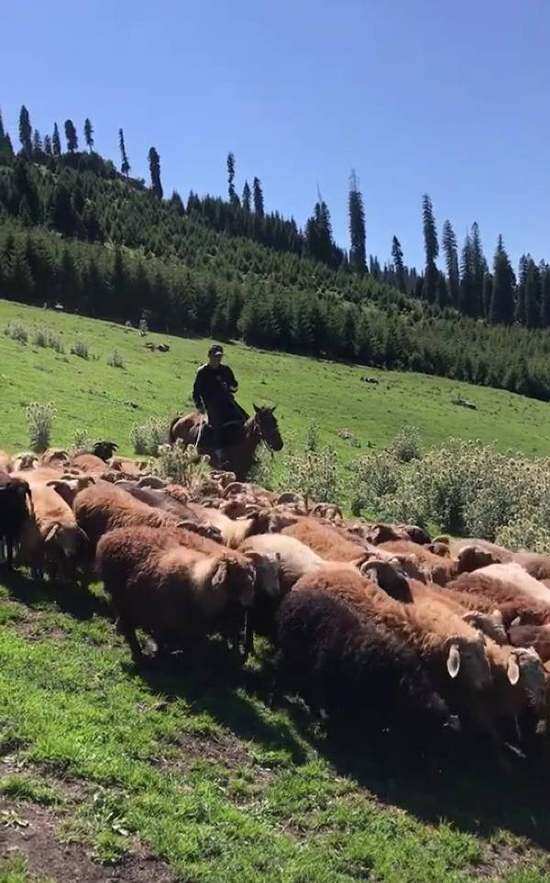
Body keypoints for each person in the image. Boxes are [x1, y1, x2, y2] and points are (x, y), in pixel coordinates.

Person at [192, 345, 248, 460]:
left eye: (219, 357)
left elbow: (235, 386)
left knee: (245, 419)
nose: (217, 359)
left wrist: (229, 386)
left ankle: (244, 448)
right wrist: (200, 406)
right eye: (215, 356)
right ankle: (219, 450)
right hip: (211, 404)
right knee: (217, 424)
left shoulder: (226, 370)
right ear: (209, 356)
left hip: (227, 402)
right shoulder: (202, 372)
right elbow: (196, 392)